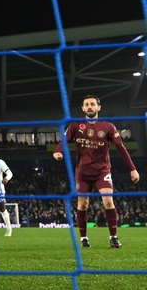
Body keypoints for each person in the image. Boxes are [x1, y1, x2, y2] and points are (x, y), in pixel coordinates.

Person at [53, 95, 140, 248]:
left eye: (93, 104)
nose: (90, 107)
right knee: (83, 204)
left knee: (107, 200)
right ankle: (84, 238)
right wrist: (58, 151)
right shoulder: (75, 126)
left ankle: (113, 236)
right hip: (83, 171)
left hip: (102, 170)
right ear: (83, 108)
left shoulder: (108, 127)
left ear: (99, 107)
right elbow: (64, 140)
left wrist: (133, 169)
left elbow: (121, 148)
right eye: (86, 104)